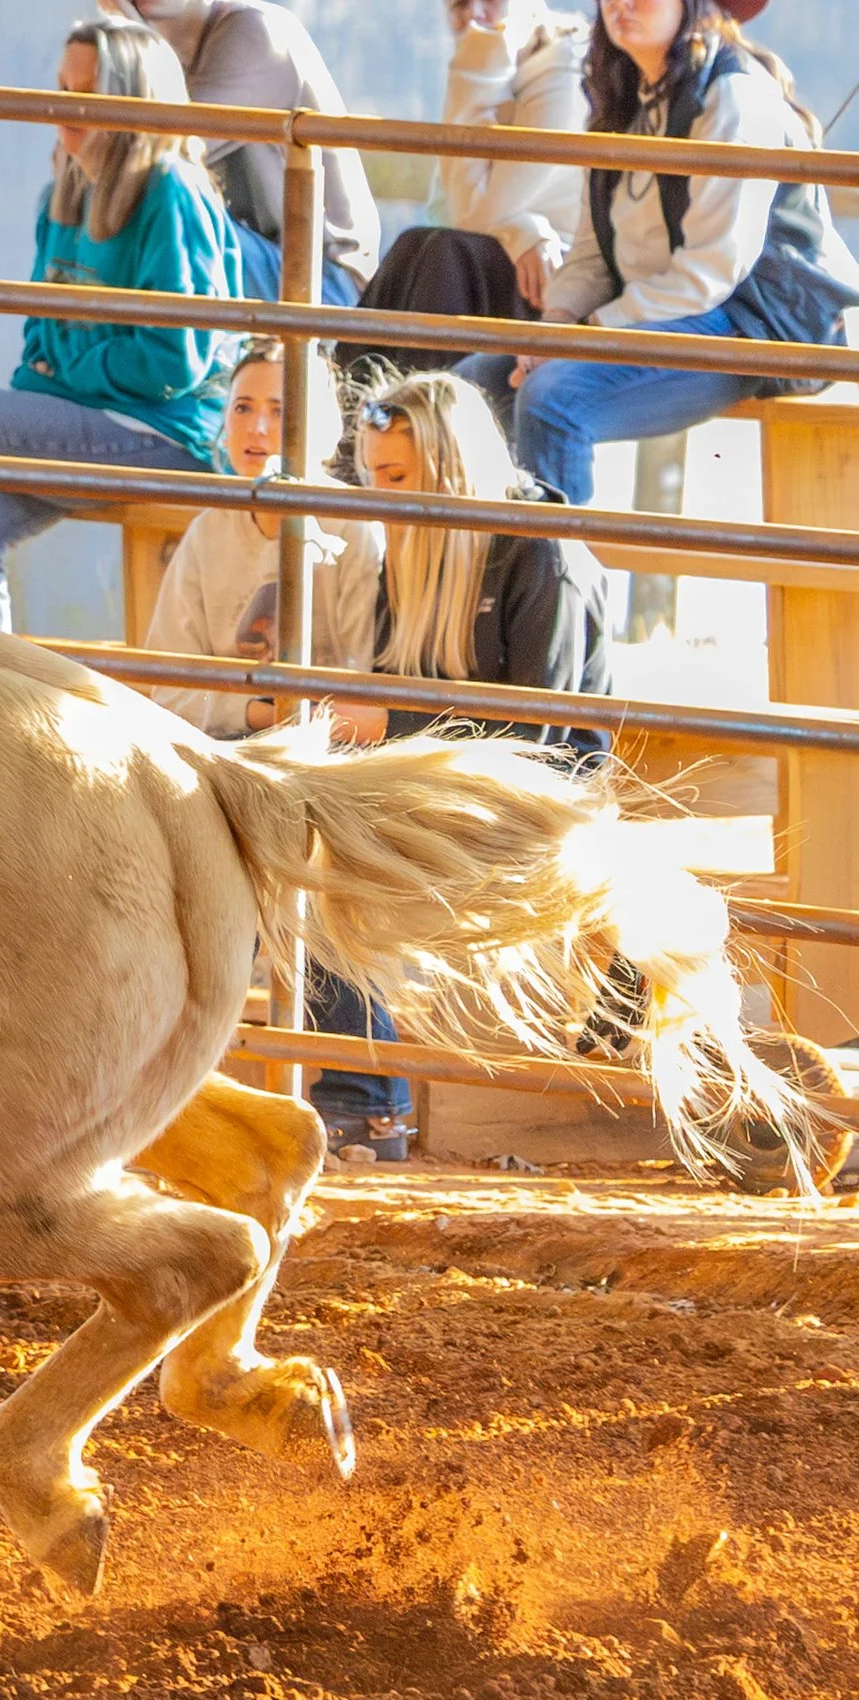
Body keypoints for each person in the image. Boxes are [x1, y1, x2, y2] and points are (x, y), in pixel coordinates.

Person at [310, 368, 613, 1155]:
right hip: (436, 769)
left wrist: (390, 721)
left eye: (398, 478)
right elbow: (388, 680)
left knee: (335, 850)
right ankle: (358, 1085)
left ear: (451, 469)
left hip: (536, 790)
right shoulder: (408, 548)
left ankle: (363, 1093)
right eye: (374, 478)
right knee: (303, 817)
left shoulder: (543, 553)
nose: (381, 497)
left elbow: (543, 733)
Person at [0, 15, 243, 633]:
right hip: (94, 416)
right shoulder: (65, 187)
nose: (63, 106)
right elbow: (38, 330)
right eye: (60, 85)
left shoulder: (170, 190)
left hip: (167, 435)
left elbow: (175, 361)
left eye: (85, 91)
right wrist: (65, 367)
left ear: (131, 102)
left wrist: (70, 369)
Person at [454, 0, 859, 506]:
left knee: (554, 400)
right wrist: (554, 326)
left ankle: (558, 581)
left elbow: (710, 273)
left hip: (753, 322)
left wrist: (587, 335)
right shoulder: (620, 99)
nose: (620, 4)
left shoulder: (734, 95)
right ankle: (478, 573)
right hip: (665, 311)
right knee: (469, 390)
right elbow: (592, 251)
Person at [136, 335, 383, 737]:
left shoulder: (354, 526)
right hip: (224, 748)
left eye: (280, 411)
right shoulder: (208, 530)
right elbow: (170, 685)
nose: (258, 428)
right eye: (243, 408)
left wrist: (295, 721)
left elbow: (363, 675)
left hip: (330, 752)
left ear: (322, 427)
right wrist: (264, 714)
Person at [342, 0, 591, 376]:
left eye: (492, 1)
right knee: (415, 245)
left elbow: (470, 217)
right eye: (459, 4)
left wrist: (478, 68)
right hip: (506, 261)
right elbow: (448, 211)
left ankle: (423, 424)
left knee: (446, 254)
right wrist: (521, 230)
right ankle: (345, 417)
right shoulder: (494, 66)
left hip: (557, 284)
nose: (474, 14)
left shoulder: (566, 67)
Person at [100, 0, 380, 306]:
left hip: (325, 283)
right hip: (260, 258)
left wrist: (130, 33)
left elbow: (153, 157)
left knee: (162, 224)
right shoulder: (170, 56)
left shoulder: (255, 29)